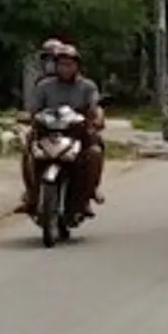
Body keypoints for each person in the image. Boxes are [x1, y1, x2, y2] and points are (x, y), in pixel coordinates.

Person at [22, 44, 105, 220]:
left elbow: (95, 108)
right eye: (61, 64)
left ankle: (90, 191)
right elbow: (33, 110)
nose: (65, 68)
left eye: (69, 64)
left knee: (95, 151)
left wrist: (97, 119)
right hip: (48, 132)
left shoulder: (87, 87)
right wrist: (29, 118)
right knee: (28, 148)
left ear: (77, 66)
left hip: (77, 132)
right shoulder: (44, 86)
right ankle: (31, 194)